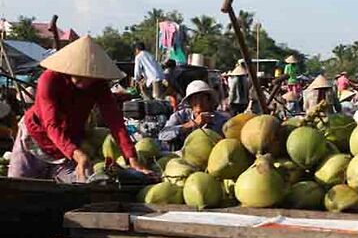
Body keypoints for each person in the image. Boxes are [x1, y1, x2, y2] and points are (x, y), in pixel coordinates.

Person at [8, 36, 151, 182]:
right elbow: (52, 125)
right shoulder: (49, 80)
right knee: (16, 185)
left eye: (90, 75)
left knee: (83, 182)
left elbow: (115, 121)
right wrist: (78, 155)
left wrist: (131, 158)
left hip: (68, 142)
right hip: (35, 137)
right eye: (80, 73)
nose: (86, 79)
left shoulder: (98, 85)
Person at [159, 80, 230, 147]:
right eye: (195, 98)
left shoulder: (222, 120)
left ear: (210, 101)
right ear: (189, 102)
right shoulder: (180, 116)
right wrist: (192, 124)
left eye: (203, 98)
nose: (199, 102)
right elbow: (163, 135)